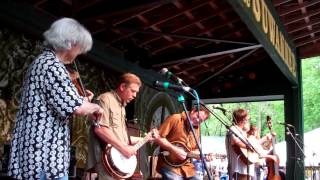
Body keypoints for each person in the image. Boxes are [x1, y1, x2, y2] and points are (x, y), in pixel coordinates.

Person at [7, 17, 104, 180]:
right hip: (45, 157)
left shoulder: (42, 62)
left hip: (34, 154)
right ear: (71, 42)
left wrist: (83, 101)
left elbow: (67, 102)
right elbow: (77, 107)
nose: (79, 53)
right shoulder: (53, 66)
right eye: (80, 48)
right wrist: (95, 107)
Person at [86, 72, 147, 179]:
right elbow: (100, 129)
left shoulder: (122, 107)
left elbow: (118, 135)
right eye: (133, 91)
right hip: (106, 160)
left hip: (118, 161)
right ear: (123, 86)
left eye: (136, 92)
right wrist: (124, 148)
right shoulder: (105, 99)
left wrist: (146, 138)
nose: (135, 95)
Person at [154, 105, 210, 180]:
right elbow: (158, 138)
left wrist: (204, 157)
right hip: (168, 164)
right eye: (197, 116)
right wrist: (175, 150)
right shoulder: (175, 118)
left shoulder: (197, 129)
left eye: (200, 121)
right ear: (193, 111)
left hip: (186, 167)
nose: (197, 120)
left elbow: (195, 150)